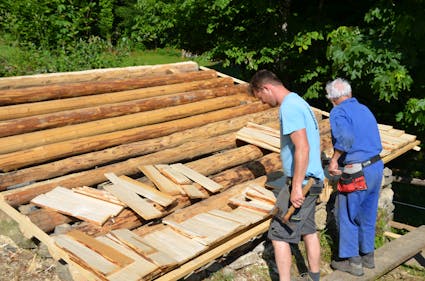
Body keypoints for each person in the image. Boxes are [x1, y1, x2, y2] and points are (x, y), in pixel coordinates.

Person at [250, 70, 324, 281]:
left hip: (304, 182)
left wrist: (297, 187)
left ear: (266, 88)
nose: (263, 102)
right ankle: (315, 277)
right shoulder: (300, 102)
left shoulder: (289, 107)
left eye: (260, 97)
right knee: (308, 230)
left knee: (278, 234)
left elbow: (303, 148)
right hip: (313, 178)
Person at [325, 78, 384, 276]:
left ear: (332, 98)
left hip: (357, 171)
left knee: (347, 214)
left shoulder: (338, 111)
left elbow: (346, 139)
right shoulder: (364, 109)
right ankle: (368, 256)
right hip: (376, 166)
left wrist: (334, 160)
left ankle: (353, 262)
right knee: (367, 213)